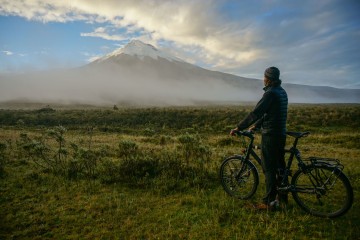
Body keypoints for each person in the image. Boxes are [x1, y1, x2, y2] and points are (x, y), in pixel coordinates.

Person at [230, 66, 288, 210]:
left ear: (268, 79)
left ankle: (269, 202)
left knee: (269, 168)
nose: (263, 79)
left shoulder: (270, 93)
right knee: (280, 167)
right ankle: (282, 198)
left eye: (264, 77)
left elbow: (256, 112)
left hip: (271, 135)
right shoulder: (281, 91)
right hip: (281, 133)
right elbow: (268, 114)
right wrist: (256, 126)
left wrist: (239, 127)